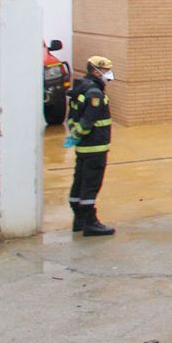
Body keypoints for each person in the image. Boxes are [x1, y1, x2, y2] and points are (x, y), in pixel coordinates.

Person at [66, 55, 116, 237]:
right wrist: (80, 133)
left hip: (83, 148)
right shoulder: (95, 93)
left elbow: (71, 117)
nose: (108, 74)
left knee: (79, 181)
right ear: (96, 71)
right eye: (105, 70)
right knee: (91, 184)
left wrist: (74, 136)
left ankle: (79, 219)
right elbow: (88, 121)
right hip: (95, 148)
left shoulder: (79, 89)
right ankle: (90, 223)